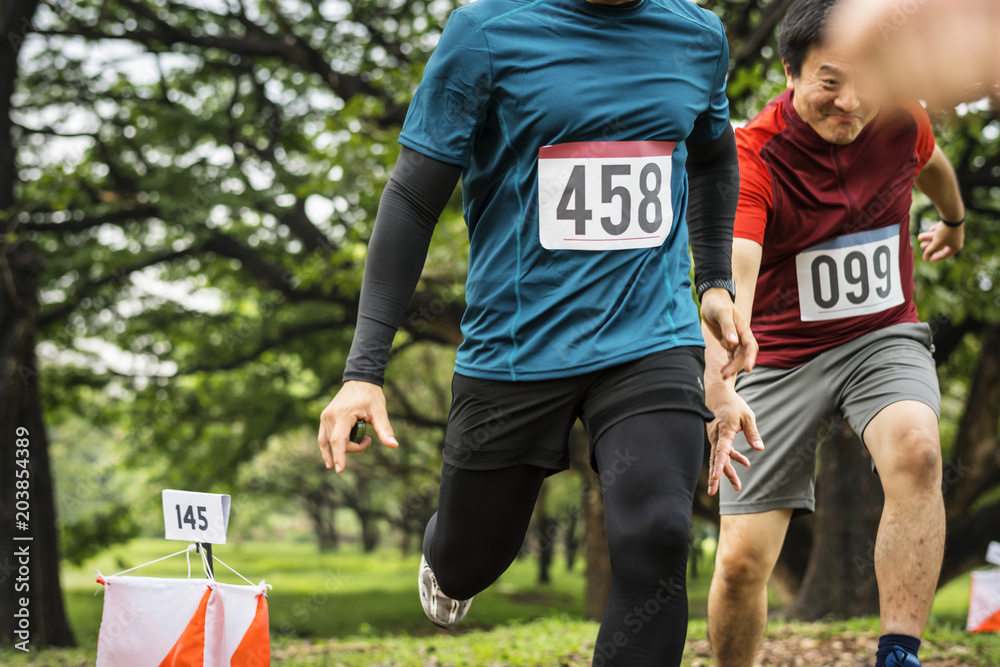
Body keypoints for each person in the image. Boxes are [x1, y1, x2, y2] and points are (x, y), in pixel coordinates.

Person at [316, 0, 756, 664]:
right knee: (472, 557)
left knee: (660, 532)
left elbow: (715, 161)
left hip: (651, 334)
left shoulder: (696, 35)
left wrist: (715, 281)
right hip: (516, 348)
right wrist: (363, 371)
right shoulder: (487, 32)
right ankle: (449, 561)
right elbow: (412, 197)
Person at [702, 1, 966, 666]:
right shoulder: (752, 154)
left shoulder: (902, 115)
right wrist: (721, 376)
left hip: (880, 335)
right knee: (739, 563)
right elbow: (737, 268)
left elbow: (930, 162)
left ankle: (899, 652)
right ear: (790, 72)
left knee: (918, 450)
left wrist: (954, 221)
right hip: (777, 353)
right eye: (829, 81)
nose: (851, 102)